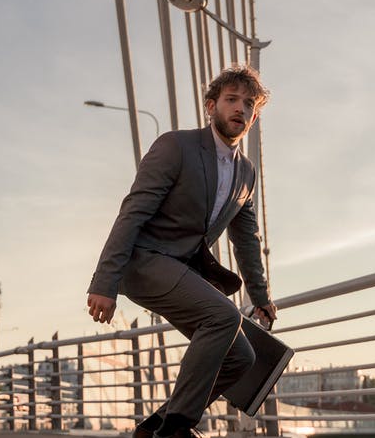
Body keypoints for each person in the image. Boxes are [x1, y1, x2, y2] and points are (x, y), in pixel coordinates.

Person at [86, 65, 278, 438]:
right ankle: (176, 429)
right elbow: (133, 212)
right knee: (222, 317)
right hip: (143, 261)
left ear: (254, 117)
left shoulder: (246, 173)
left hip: (182, 270)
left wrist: (261, 297)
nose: (240, 108)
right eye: (231, 99)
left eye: (249, 104)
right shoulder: (177, 145)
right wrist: (104, 282)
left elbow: (247, 240)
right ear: (211, 106)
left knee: (242, 358)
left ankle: (155, 426)